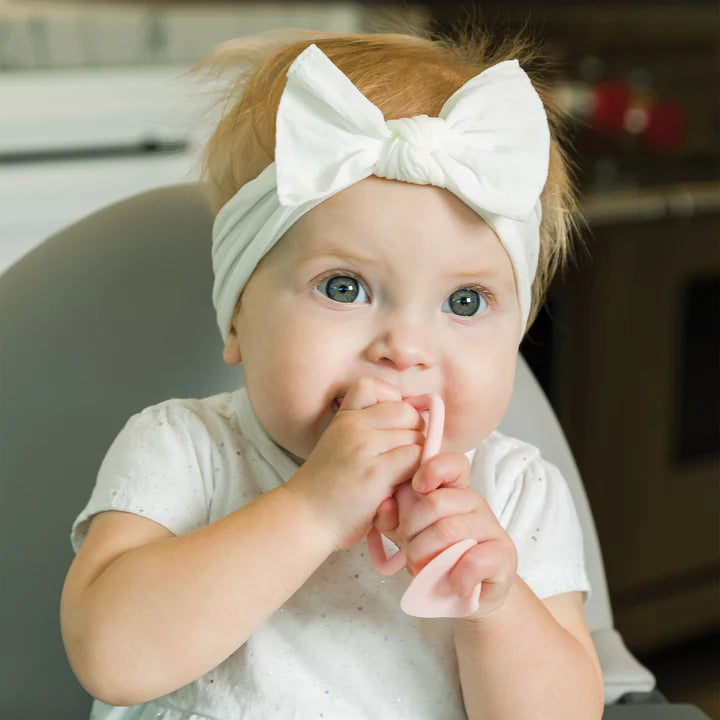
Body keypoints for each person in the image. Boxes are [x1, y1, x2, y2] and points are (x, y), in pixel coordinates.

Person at [60, 24, 605, 720]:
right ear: (236, 318)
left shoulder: (517, 496)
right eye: (344, 288)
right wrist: (311, 509)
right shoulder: (184, 449)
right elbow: (112, 659)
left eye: (464, 302)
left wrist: (493, 606)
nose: (405, 349)